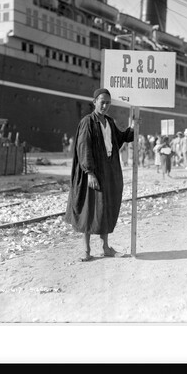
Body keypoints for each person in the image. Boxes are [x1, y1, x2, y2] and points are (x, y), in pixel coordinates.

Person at [64, 88, 134, 261]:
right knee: (89, 210)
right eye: (102, 102)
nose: (105, 106)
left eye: (108, 103)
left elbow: (120, 139)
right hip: (93, 172)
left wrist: (133, 126)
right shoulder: (87, 122)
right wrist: (90, 173)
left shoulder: (109, 122)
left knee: (105, 209)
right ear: (94, 101)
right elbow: (83, 148)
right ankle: (86, 251)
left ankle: (106, 247)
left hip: (108, 171)